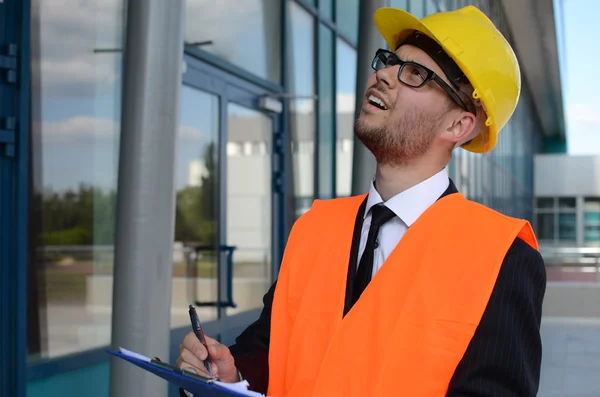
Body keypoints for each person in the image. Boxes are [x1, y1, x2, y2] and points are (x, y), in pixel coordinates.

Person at [177, 5, 547, 397]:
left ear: (458, 124)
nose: (384, 74)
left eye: (416, 74)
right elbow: (268, 354)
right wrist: (229, 375)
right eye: (389, 61)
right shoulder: (314, 229)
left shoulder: (502, 257)